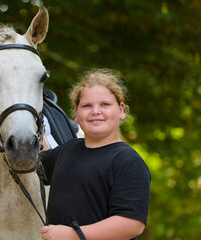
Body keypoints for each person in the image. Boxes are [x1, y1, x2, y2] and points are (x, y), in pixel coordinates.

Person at [39, 68, 151, 240]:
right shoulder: (68, 150)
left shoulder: (128, 161)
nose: (96, 111)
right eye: (87, 106)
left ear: (121, 110)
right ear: (76, 114)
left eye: (105, 104)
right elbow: (37, 162)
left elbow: (132, 224)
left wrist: (74, 235)